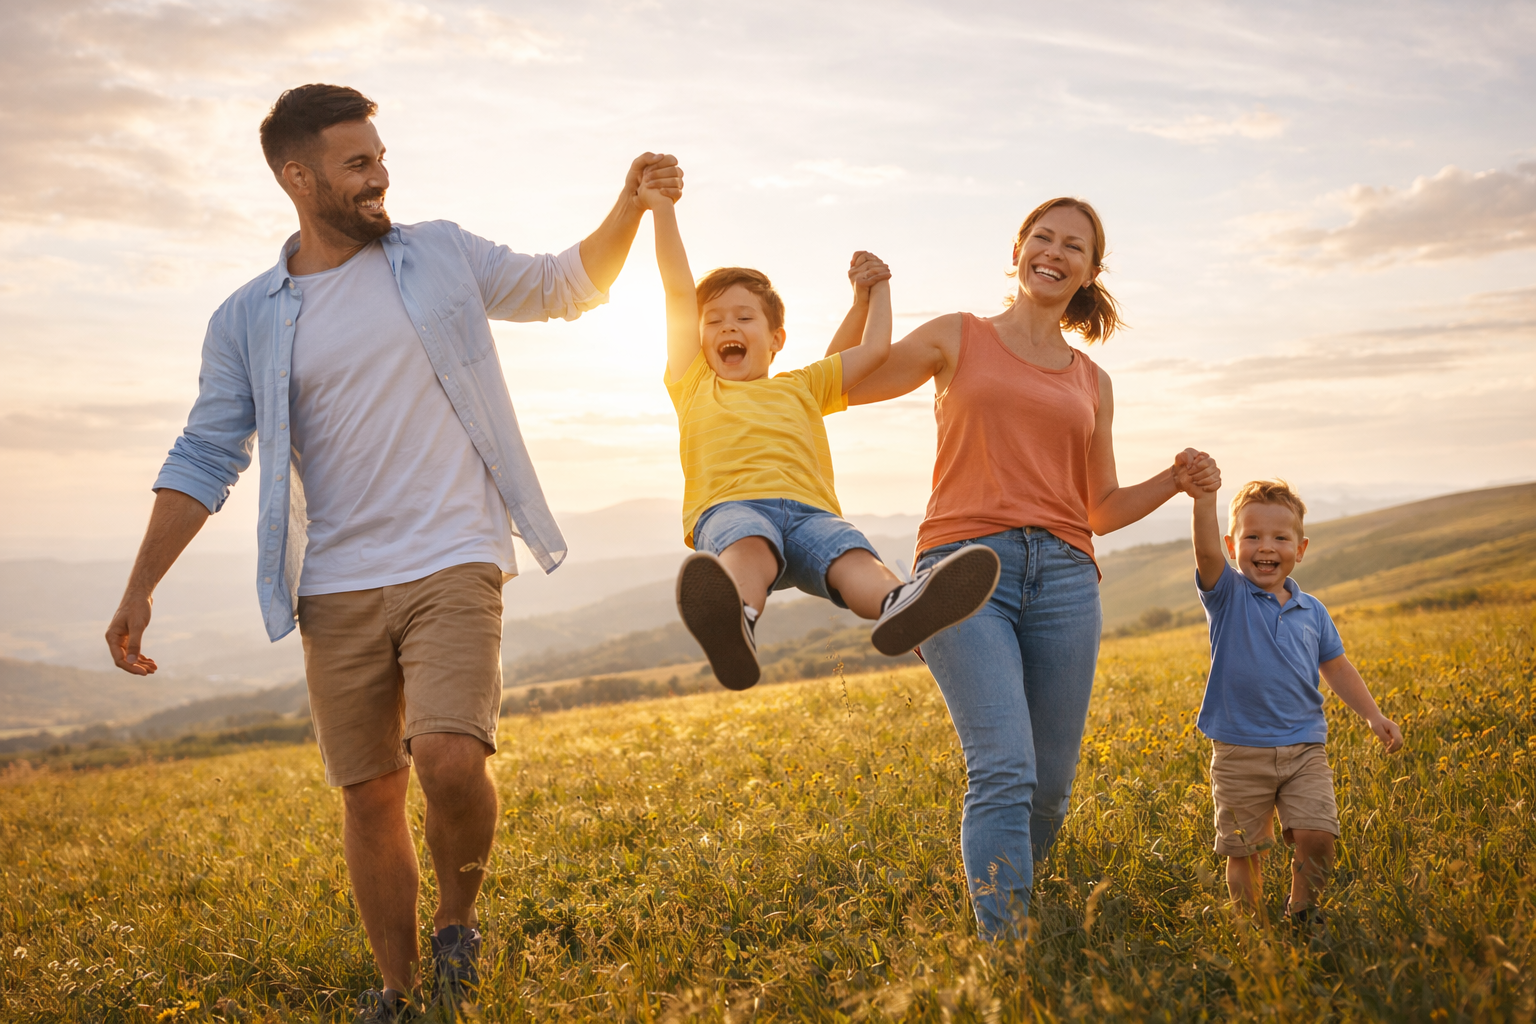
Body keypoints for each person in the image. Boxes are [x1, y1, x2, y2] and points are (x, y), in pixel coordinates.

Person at [102, 83, 682, 1022]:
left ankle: (458, 925)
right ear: (298, 178)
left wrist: (627, 204)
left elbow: (563, 284)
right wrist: (140, 587)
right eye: (358, 163)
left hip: (453, 552)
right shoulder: (247, 318)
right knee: (370, 795)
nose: (381, 177)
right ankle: (402, 994)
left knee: (449, 758)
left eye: (381, 157)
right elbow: (207, 451)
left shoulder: (441, 253)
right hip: (332, 582)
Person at [828, 197, 1219, 938]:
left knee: (1049, 789)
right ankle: (1002, 955)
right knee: (1003, 768)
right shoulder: (958, 336)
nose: (1054, 251)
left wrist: (1172, 481)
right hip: (964, 572)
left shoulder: (1092, 382)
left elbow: (1097, 506)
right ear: (1017, 252)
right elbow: (841, 386)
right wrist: (864, 302)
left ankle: (1015, 907)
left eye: (1074, 245)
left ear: (1090, 271)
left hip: (1068, 577)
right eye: (1042, 237)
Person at [638, 176, 1000, 691]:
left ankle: (900, 603)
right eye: (713, 321)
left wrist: (877, 291)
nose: (726, 328)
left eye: (743, 317)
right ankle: (736, 617)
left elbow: (873, 351)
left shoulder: (804, 385)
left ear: (776, 338)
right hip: (732, 506)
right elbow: (677, 288)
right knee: (748, 544)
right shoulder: (693, 384)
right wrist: (662, 210)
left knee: (853, 556)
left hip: (812, 514)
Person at [1191, 478, 1403, 923]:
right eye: (1252, 536)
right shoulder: (1228, 595)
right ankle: (1250, 928)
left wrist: (1372, 714)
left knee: (1319, 834)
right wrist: (1204, 498)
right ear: (1233, 545)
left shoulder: (1313, 611)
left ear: (1300, 549)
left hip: (1304, 745)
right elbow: (1205, 555)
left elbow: (1338, 667)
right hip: (1239, 746)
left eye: (1279, 538)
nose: (1265, 547)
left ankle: (1302, 912)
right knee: (1244, 848)